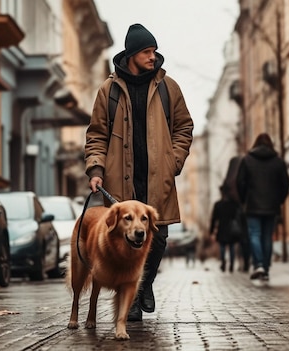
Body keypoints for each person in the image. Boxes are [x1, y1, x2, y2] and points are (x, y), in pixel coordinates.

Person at [84, 23, 194, 321]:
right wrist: (96, 168)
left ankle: (144, 285)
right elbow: (96, 134)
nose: (153, 57)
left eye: (154, 51)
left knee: (157, 238)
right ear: (132, 54)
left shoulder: (168, 87)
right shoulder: (109, 90)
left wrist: (175, 160)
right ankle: (130, 300)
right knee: (123, 243)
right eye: (147, 51)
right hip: (120, 180)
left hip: (159, 178)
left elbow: (184, 127)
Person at [236, 133, 289, 282]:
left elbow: (240, 182)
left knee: (254, 234)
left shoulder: (247, 160)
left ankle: (258, 264)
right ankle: (265, 269)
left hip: (253, 205)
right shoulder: (278, 161)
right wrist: (280, 200)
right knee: (267, 237)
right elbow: (285, 184)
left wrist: (244, 200)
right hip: (272, 206)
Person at [221, 155, 250, 272]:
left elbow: (224, 190)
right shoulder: (244, 172)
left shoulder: (229, 179)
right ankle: (247, 261)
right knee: (246, 238)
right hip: (246, 210)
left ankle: (239, 261)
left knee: (235, 240)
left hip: (234, 214)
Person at [210, 185, 244, 273]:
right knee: (232, 247)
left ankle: (223, 262)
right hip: (231, 229)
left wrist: (211, 230)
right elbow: (238, 216)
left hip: (222, 228)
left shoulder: (218, 204)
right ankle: (231, 264)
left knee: (222, 246)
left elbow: (214, 218)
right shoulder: (234, 204)